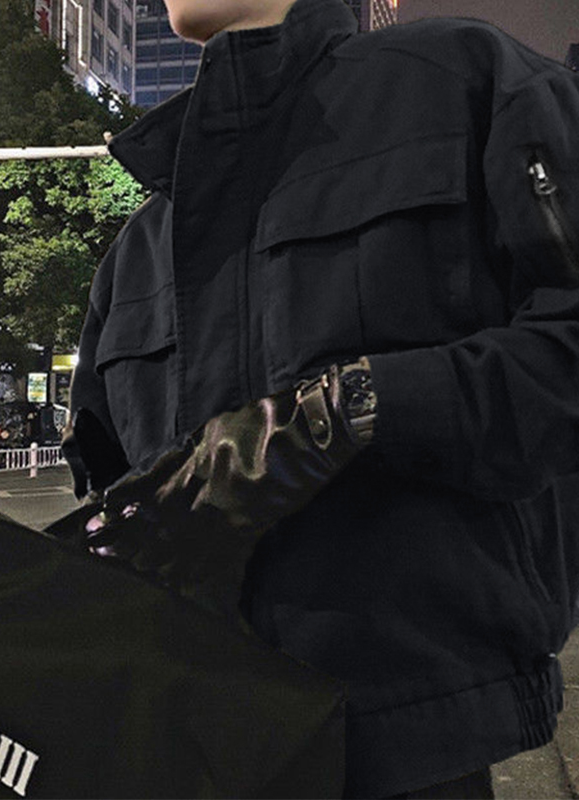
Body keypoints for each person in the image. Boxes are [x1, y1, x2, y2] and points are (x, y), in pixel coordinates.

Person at [61, 0, 579, 797]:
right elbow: (116, 518)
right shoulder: (136, 250)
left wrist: (352, 409)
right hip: (192, 755)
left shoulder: (465, 79)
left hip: (409, 755)